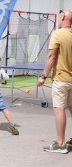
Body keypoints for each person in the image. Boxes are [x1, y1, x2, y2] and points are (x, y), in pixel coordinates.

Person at [37, 9, 72, 154]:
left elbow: (51, 56)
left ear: (63, 17)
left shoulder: (57, 34)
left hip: (61, 80)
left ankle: (61, 144)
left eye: (60, 14)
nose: (58, 17)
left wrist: (43, 76)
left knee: (59, 110)